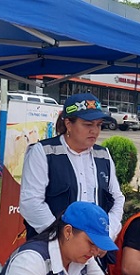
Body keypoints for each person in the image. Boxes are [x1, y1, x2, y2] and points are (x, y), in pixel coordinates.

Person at [19, 92, 125, 242]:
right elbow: (31, 203)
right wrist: (63, 240)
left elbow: (117, 199)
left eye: (99, 125)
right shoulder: (43, 152)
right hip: (51, 248)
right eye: (88, 124)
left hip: (95, 247)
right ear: (68, 124)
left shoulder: (103, 155)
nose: (94, 131)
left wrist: (107, 234)